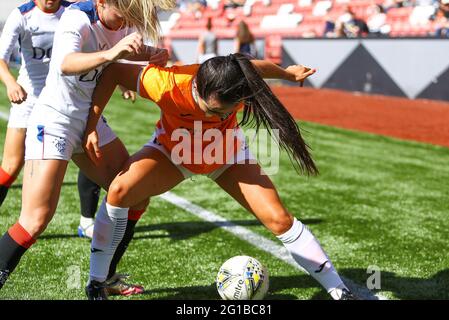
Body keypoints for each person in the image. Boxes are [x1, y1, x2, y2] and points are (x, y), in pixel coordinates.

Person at [83, 53, 358, 300]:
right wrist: (92, 124)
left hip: (226, 156)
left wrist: (288, 74)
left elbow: (254, 68)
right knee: (120, 191)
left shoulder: (238, 79)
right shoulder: (166, 83)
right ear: (198, 88)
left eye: (226, 110)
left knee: (280, 220)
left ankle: (339, 292)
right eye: (212, 110)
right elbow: (115, 71)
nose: (217, 116)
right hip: (172, 153)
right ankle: (97, 283)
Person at [0, 0, 175, 296]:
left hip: (89, 121)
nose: (125, 23)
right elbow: (66, 63)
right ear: (102, 2)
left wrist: (154, 54)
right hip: (55, 121)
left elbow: (124, 50)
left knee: (135, 195)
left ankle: (102, 280)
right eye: (122, 15)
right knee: (35, 220)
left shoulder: (124, 21)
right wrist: (112, 53)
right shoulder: (78, 16)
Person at [0, 0, 133, 240]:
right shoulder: (22, 15)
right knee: (10, 169)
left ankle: (87, 221)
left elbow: (103, 57)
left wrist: (122, 81)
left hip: (74, 100)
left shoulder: (75, 12)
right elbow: (2, 59)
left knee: (93, 153)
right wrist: (11, 83)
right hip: (29, 100)